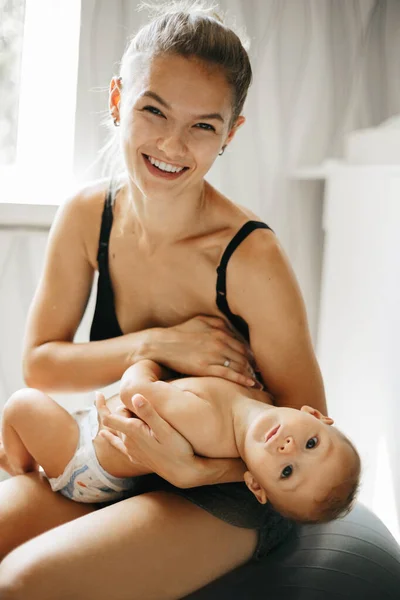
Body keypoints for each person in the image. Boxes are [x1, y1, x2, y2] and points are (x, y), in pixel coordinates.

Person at [0, 3, 332, 599]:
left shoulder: (250, 258)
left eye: (203, 125)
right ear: (116, 101)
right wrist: (161, 343)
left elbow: (309, 432)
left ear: (231, 133)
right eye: (153, 110)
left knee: (23, 583)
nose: (171, 144)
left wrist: (196, 468)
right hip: (118, 464)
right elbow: (40, 363)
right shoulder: (86, 217)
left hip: (227, 489)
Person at [0, 359, 360, 522]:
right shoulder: (259, 403)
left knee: (21, 404)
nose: (288, 449)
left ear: (254, 483)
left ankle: (19, 466)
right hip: (100, 440)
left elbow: (133, 392)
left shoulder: (210, 424)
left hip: (84, 458)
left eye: (286, 472)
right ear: (314, 414)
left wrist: (149, 360)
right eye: (311, 444)